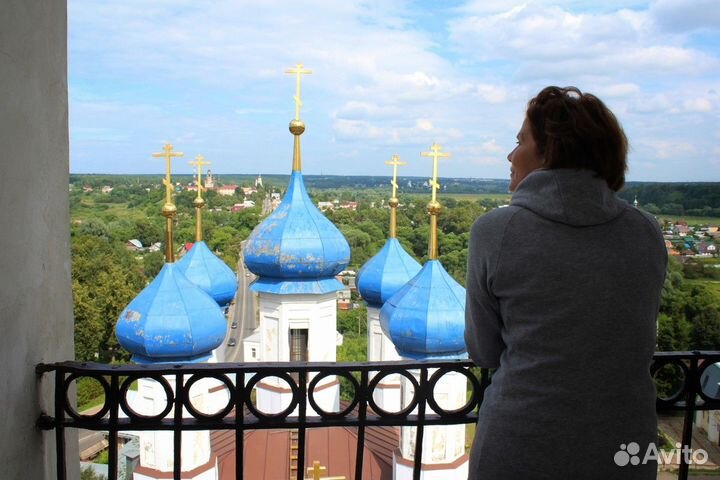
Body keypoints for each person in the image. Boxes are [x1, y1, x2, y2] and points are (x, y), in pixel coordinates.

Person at [465, 86, 667, 479]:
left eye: (521, 140)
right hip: (626, 444)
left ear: (551, 150)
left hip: (524, 443)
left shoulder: (497, 231)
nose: (510, 155)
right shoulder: (644, 231)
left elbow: (484, 350)